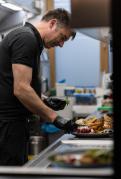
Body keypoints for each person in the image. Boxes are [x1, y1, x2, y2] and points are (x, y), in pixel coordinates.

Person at [0, 8, 77, 166]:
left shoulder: (31, 40)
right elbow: (21, 89)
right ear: (52, 23)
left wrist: (45, 100)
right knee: (10, 177)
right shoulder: (26, 39)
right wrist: (55, 118)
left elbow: (15, 82)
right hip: (7, 125)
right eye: (62, 37)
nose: (61, 44)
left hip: (13, 124)